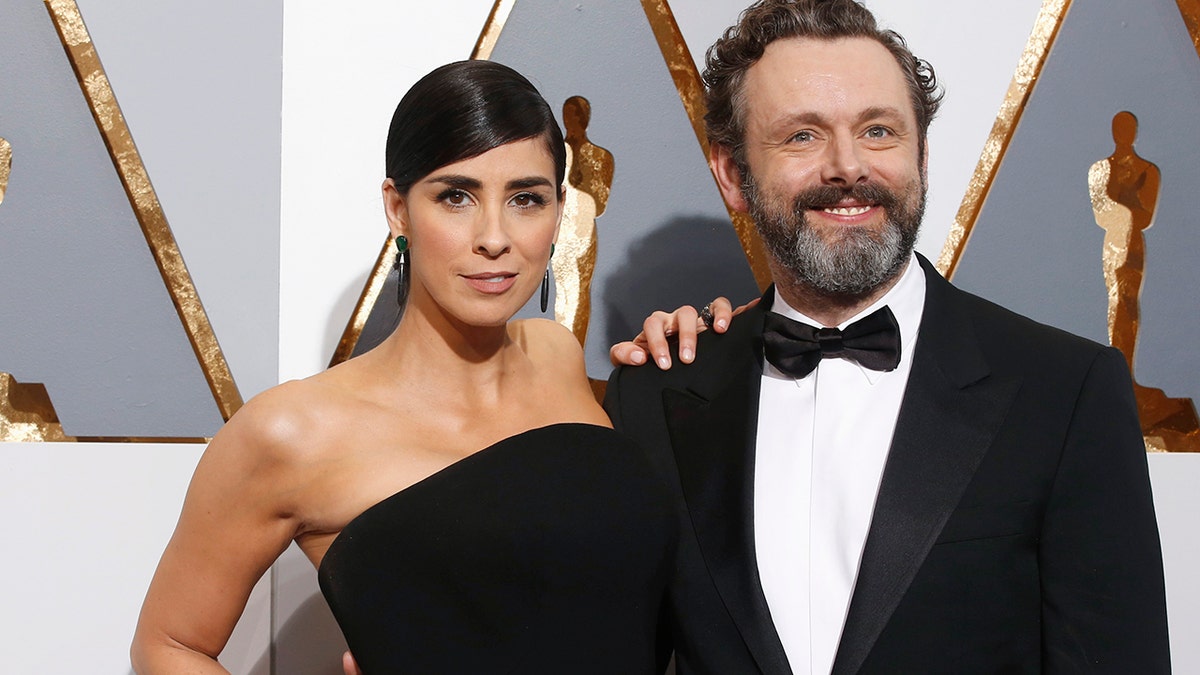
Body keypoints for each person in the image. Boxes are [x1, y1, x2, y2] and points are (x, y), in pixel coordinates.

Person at [605, 1, 1171, 672]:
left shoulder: (1065, 392)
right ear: (732, 173)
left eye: (878, 131)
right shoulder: (656, 396)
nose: (848, 167)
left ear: (923, 155)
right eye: (802, 136)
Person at [130, 60, 681, 674]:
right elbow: (168, 644)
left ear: (559, 212)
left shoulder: (556, 357)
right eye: (455, 196)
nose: (494, 237)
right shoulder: (291, 433)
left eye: (526, 198)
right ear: (398, 208)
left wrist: (715, 343)